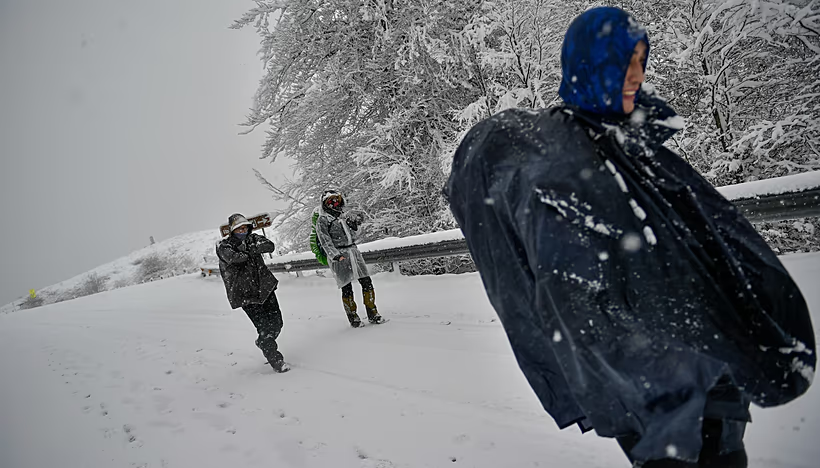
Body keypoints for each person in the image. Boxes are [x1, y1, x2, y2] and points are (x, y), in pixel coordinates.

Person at [445, 7, 815, 468]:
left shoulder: (624, 144)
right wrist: (660, 374)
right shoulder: (564, 166)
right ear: (586, 66)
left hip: (704, 367)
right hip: (653, 387)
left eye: (641, 61)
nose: (636, 76)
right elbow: (573, 295)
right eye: (623, 63)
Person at [217, 213, 289, 373]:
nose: (242, 230)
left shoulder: (253, 238)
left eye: (245, 227)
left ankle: (263, 342)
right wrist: (252, 249)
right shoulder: (224, 245)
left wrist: (250, 247)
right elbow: (235, 258)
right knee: (263, 326)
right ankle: (276, 359)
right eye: (238, 228)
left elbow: (269, 246)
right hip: (245, 295)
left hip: (265, 288)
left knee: (277, 323)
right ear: (232, 230)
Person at [315, 189, 384, 327]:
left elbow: (354, 235)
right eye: (331, 201)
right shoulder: (323, 220)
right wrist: (335, 255)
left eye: (337, 200)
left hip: (353, 252)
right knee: (346, 288)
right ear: (325, 204)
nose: (334, 204)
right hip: (339, 256)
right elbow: (324, 240)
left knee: (366, 282)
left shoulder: (343, 217)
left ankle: (373, 313)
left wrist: (354, 226)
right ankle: (353, 318)